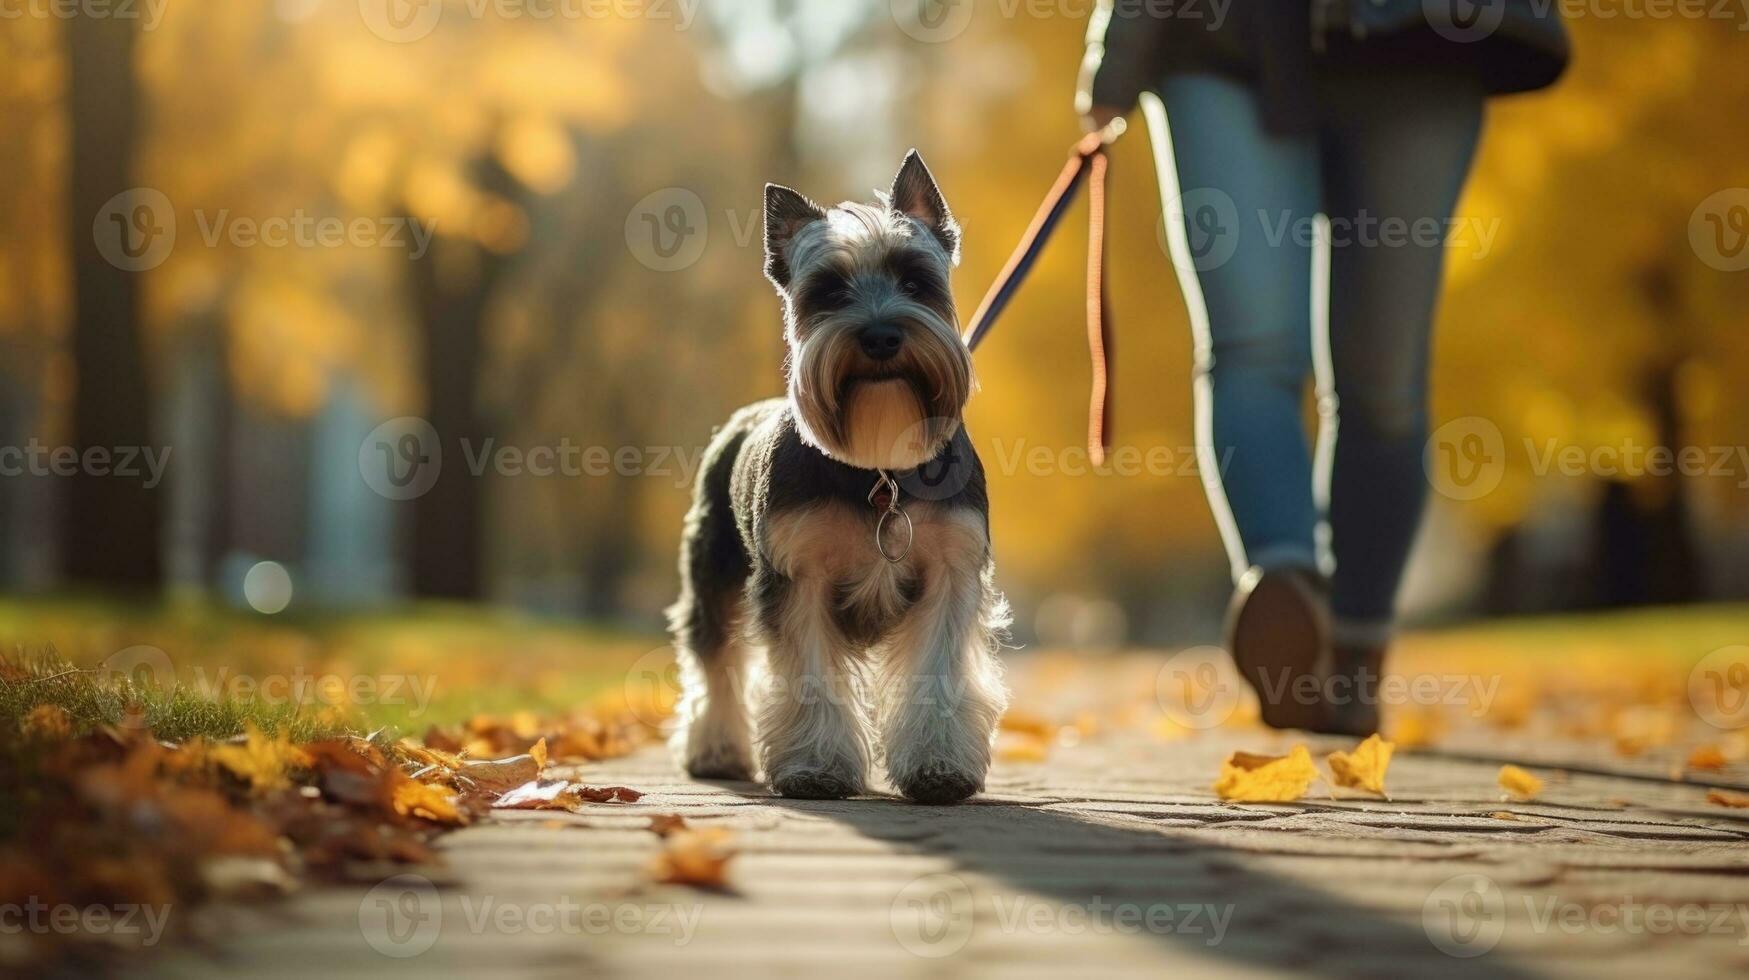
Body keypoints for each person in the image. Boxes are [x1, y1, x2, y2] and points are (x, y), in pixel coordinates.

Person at [1077, 2, 1568, 734]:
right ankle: (1291, 601)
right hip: (1222, 40)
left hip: (1420, 37)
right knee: (1259, 349)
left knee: (1376, 379)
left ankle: (1345, 647)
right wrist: (1117, 54)